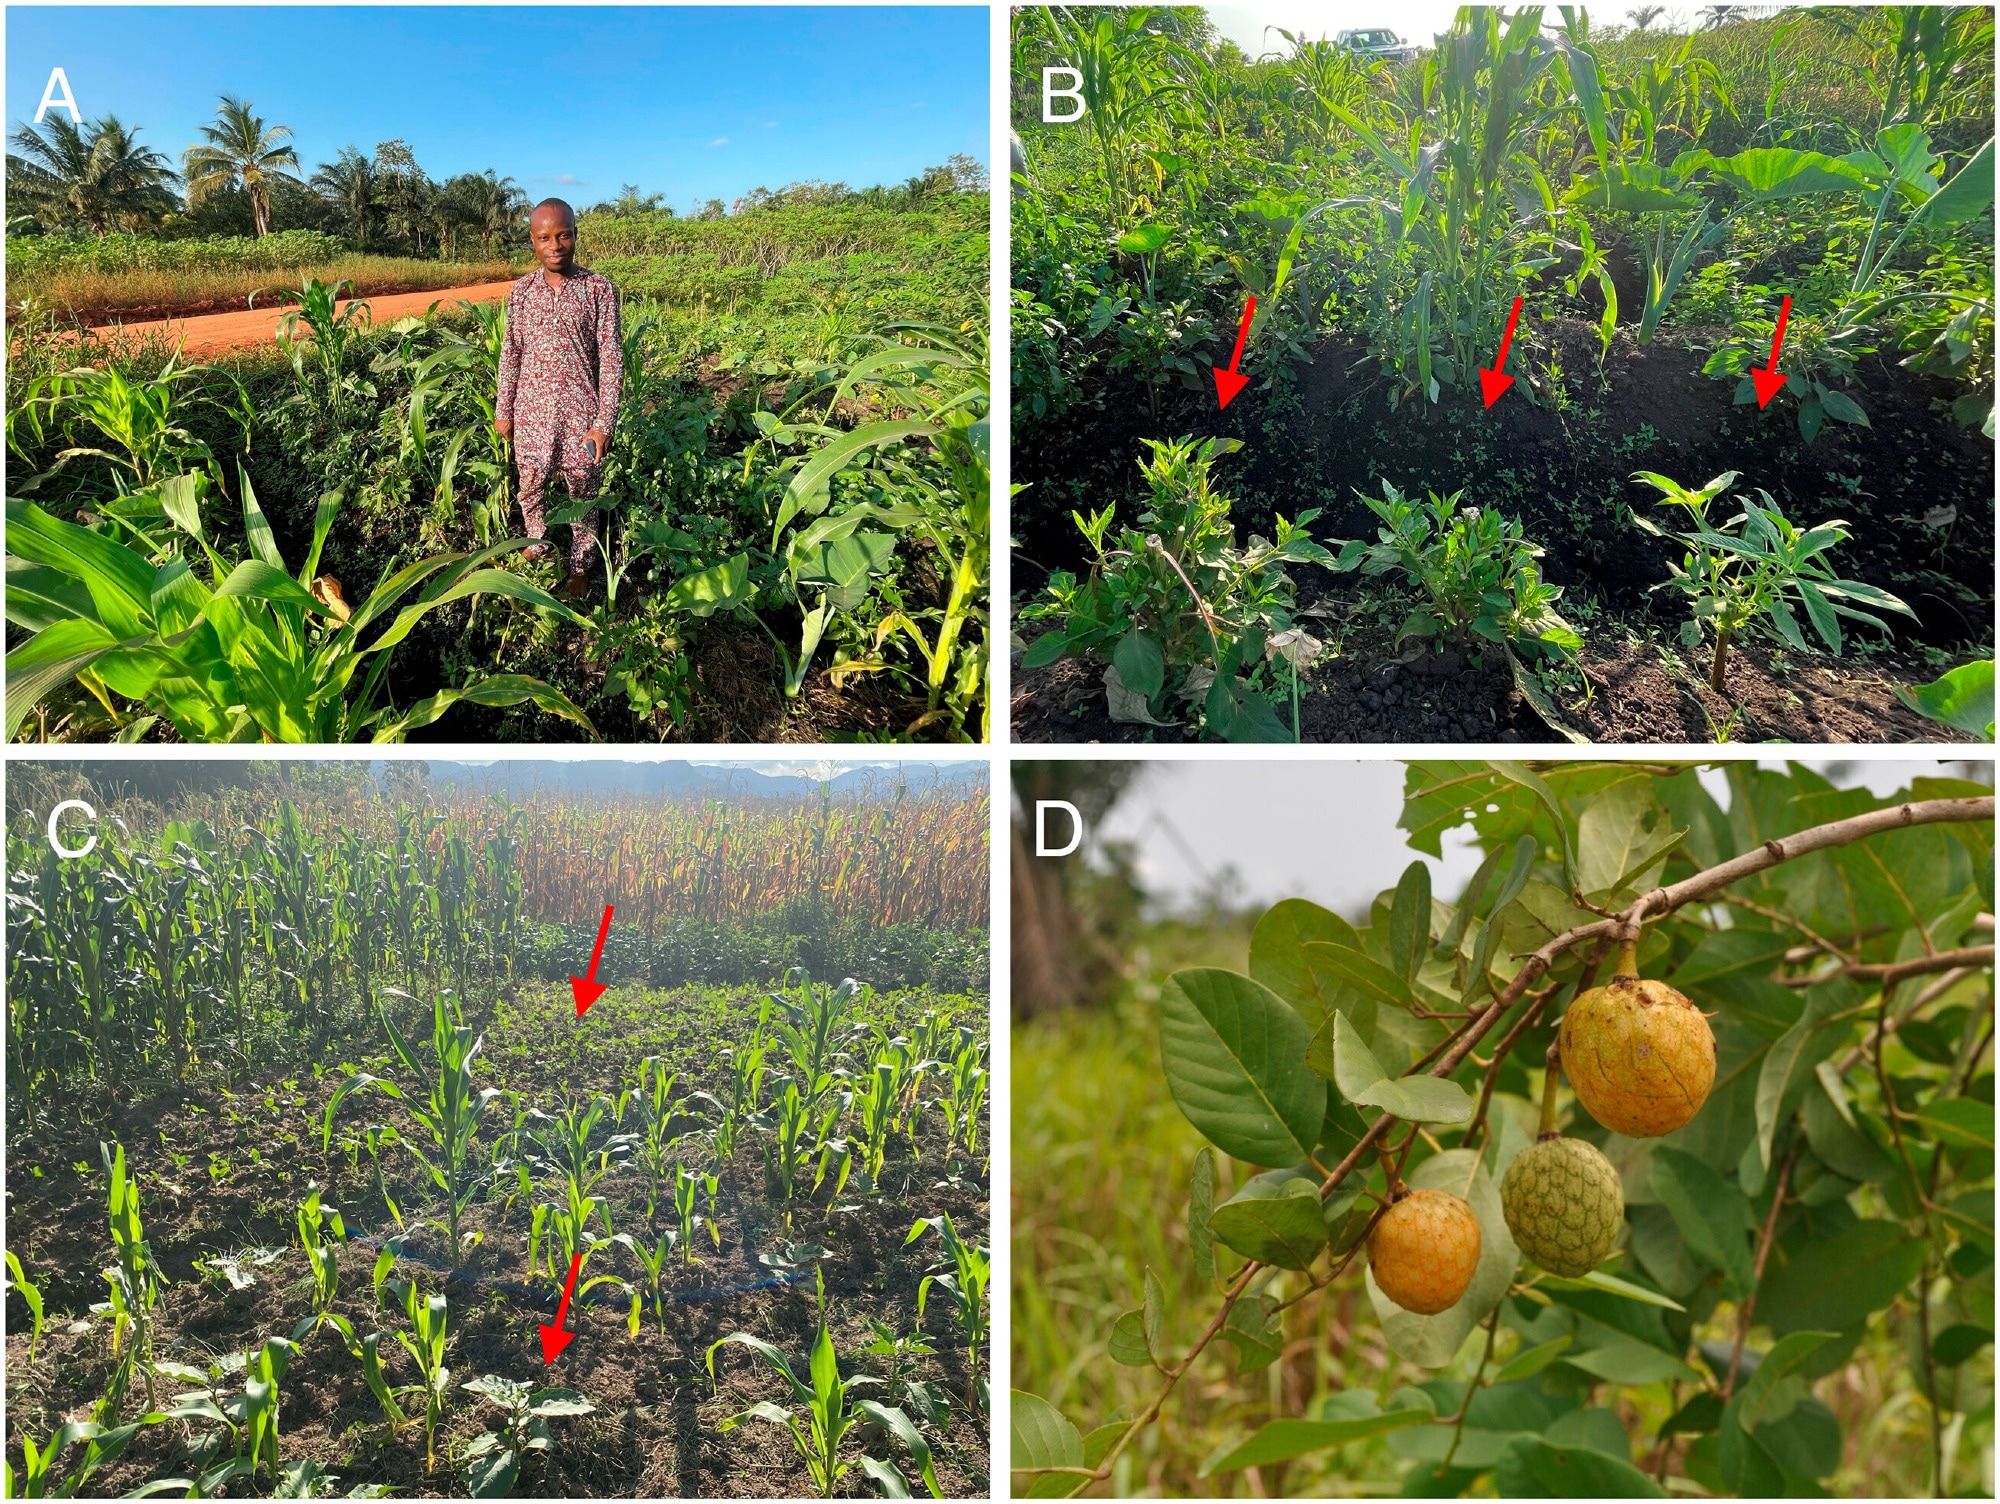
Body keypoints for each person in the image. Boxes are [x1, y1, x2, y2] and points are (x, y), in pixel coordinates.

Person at [494, 198, 623, 602]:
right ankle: (538, 545)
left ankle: (581, 566)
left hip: (580, 419)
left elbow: (612, 357)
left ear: (574, 235)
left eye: (563, 234)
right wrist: (504, 410)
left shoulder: (598, 289)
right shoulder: (521, 292)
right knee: (530, 487)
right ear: (532, 242)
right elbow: (511, 351)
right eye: (545, 237)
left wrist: (603, 423)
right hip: (531, 416)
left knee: (583, 495)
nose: (555, 245)